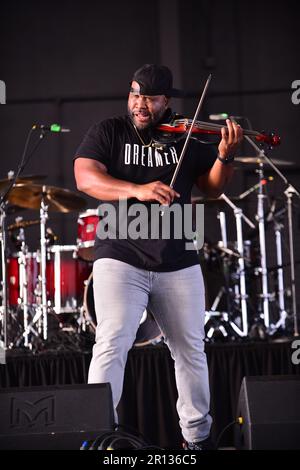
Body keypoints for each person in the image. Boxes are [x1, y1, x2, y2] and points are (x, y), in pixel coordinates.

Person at [74, 64, 243, 450]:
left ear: (166, 100)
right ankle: (96, 436)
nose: (140, 103)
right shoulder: (109, 131)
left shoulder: (186, 135)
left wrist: (225, 157)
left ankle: (197, 440)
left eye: (150, 97)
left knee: (190, 349)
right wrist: (137, 190)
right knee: (111, 339)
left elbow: (212, 189)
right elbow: (85, 178)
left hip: (178, 257)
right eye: (135, 93)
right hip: (120, 253)